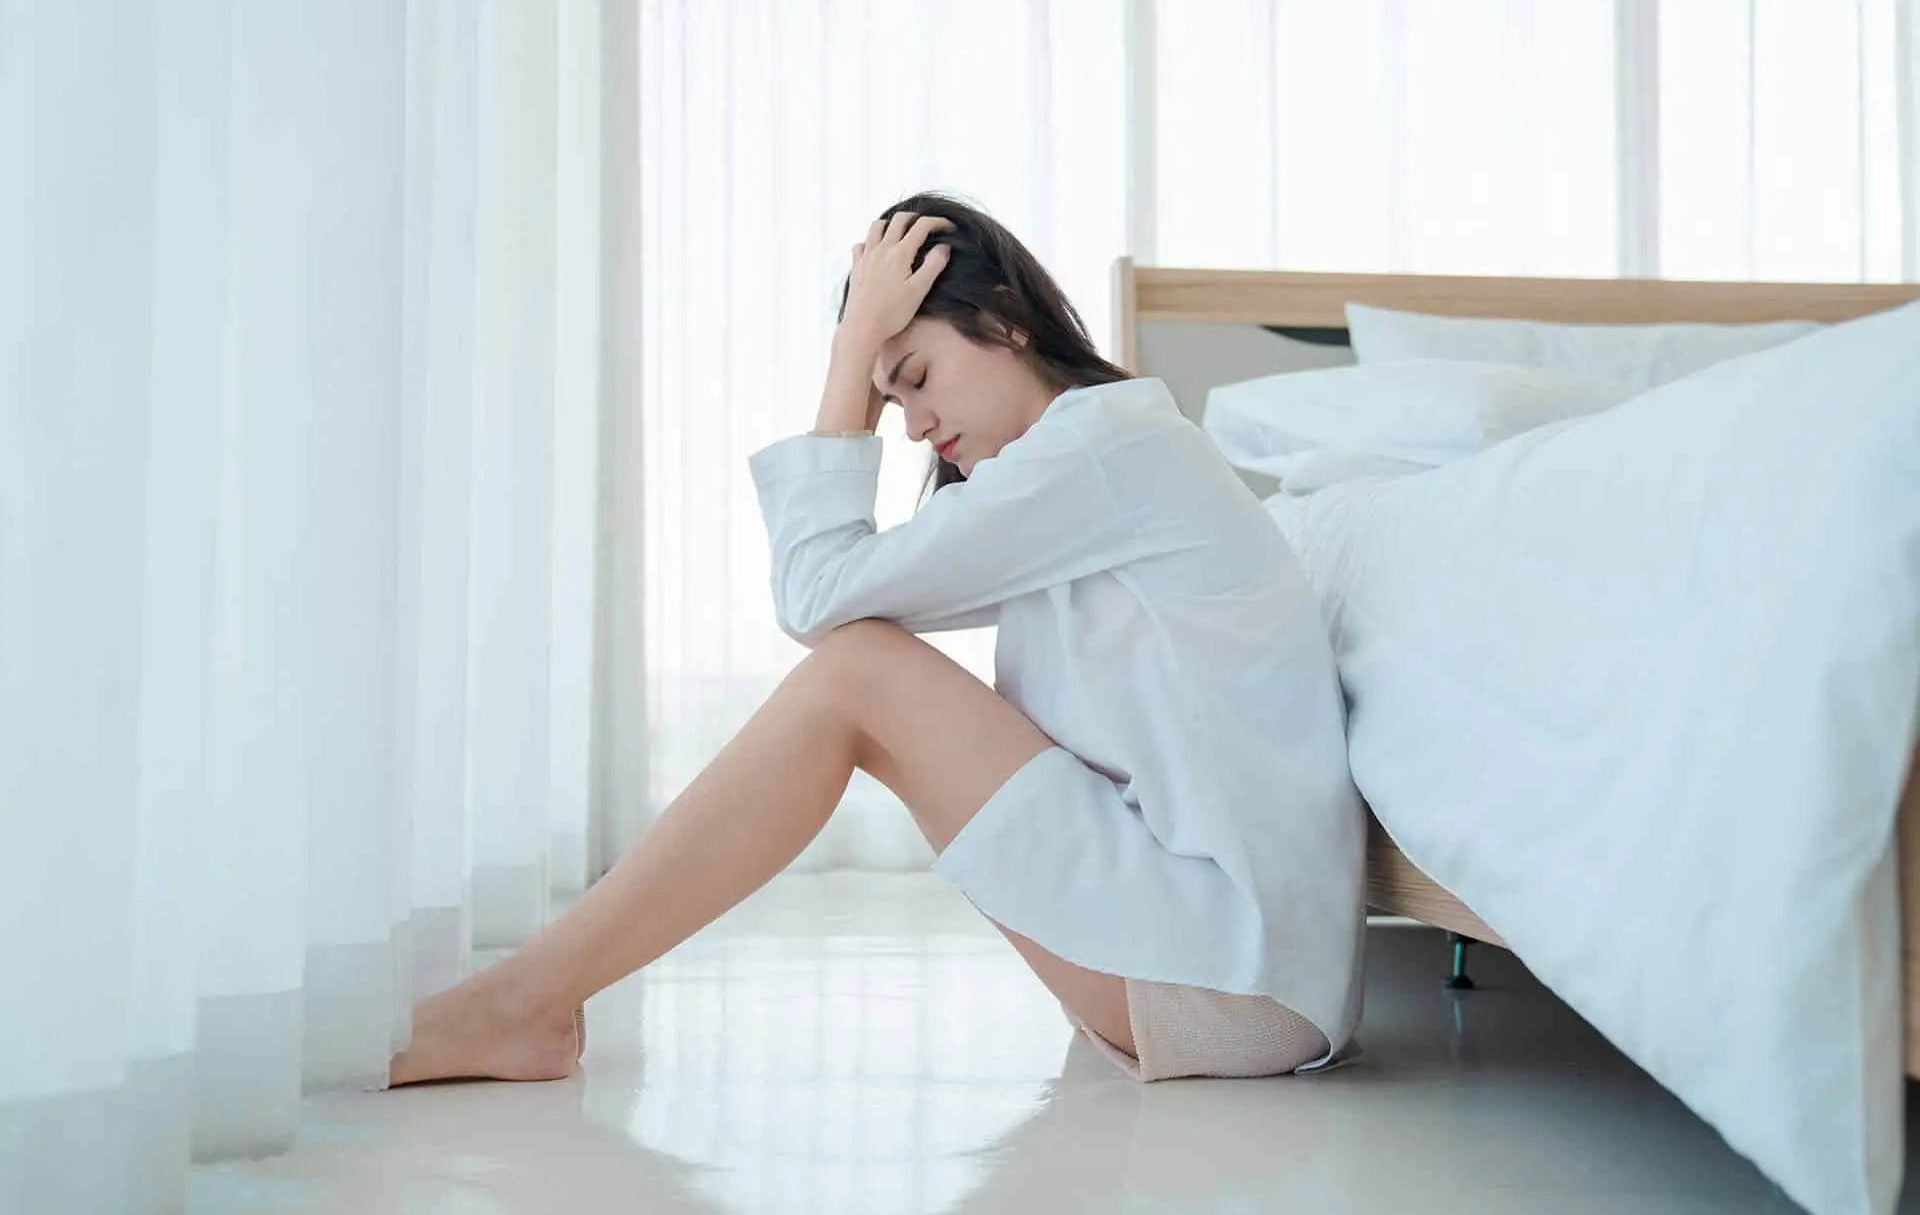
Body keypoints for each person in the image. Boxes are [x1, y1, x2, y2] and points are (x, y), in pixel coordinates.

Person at [388, 191, 1367, 1088]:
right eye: (889, 400)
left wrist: (851, 347)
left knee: (859, 672)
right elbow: (835, 600)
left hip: (1238, 980)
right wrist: (868, 351)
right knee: (862, 666)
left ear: (1002, 323)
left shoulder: (1106, 449)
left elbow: (818, 599)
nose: (907, 426)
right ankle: (525, 1001)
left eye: (914, 378)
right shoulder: (1077, 473)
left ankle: (524, 1005)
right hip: (1213, 960)